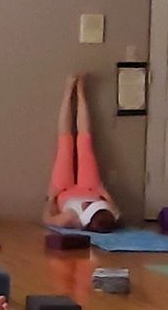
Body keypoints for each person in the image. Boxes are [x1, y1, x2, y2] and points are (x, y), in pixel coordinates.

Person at [40, 74, 118, 233]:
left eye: (87, 206)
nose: (86, 204)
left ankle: (68, 91)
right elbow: (117, 213)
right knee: (85, 141)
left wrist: (50, 198)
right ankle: (80, 91)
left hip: (63, 191)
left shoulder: (71, 219)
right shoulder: (110, 214)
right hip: (91, 189)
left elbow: (47, 219)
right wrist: (105, 194)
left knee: (65, 143)